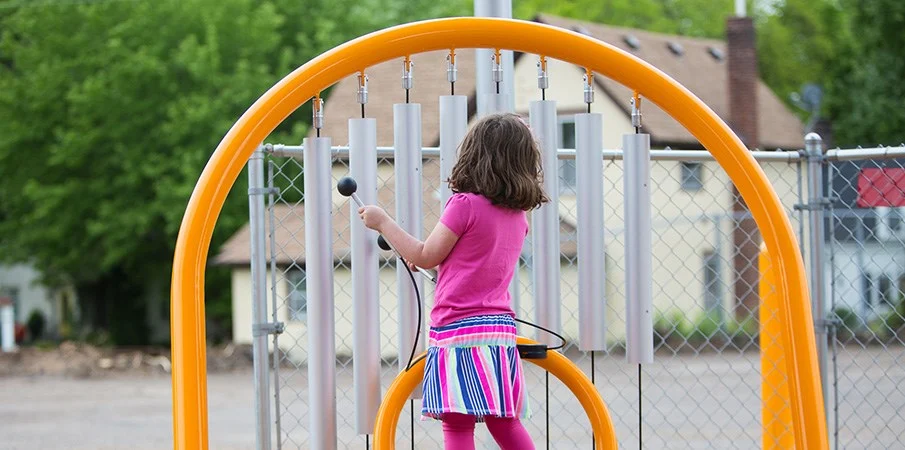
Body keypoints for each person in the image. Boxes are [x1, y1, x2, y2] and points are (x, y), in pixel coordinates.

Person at [358, 113, 548, 450]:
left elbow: (425, 255)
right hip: (498, 329)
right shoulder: (518, 217)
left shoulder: (464, 205)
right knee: (504, 421)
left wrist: (382, 222)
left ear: (475, 156)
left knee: (458, 426)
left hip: (458, 329)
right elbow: (470, 259)